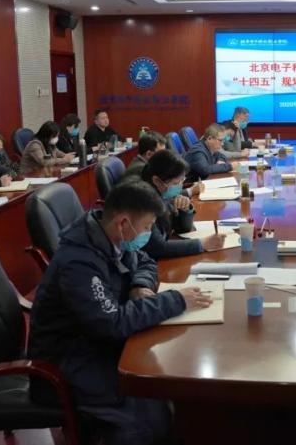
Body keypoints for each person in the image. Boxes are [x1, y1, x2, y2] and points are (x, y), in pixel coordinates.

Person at [28, 181, 211, 445]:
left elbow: (145, 261)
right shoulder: (79, 262)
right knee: (150, 418)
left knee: (171, 387)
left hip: (97, 343)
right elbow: (111, 323)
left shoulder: (111, 236)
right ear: (124, 222)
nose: (147, 233)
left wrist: (139, 285)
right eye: (147, 227)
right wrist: (175, 300)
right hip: (66, 361)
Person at [135, 150, 225, 258]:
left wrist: (185, 209)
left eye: (182, 181)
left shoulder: (164, 195)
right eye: (176, 183)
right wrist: (202, 244)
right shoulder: (144, 202)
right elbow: (158, 248)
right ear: (157, 181)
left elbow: (182, 228)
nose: (180, 186)